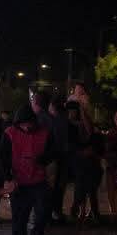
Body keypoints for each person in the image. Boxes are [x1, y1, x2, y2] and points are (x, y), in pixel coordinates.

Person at [1, 105, 52, 235]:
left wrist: (44, 160)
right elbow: (2, 156)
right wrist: (8, 178)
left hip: (38, 179)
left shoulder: (44, 133)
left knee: (43, 210)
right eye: (22, 125)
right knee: (19, 217)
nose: (26, 127)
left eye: (28, 124)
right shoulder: (10, 133)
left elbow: (52, 151)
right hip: (19, 181)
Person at [68, 101, 103, 224]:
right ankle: (86, 211)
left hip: (89, 165)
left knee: (87, 186)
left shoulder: (90, 132)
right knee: (82, 185)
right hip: (80, 163)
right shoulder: (70, 127)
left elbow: (90, 132)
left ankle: (85, 211)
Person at [47, 96, 79, 225]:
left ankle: (53, 213)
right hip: (65, 159)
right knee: (60, 188)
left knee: (53, 188)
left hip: (55, 159)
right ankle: (57, 212)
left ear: (53, 108)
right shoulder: (68, 124)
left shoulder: (52, 122)